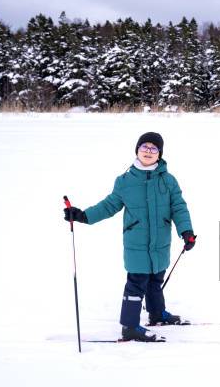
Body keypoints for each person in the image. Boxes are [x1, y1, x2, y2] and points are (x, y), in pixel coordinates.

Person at [64, 132, 196, 342]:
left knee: (155, 279)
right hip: (136, 243)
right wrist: (84, 216)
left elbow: (178, 207)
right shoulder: (125, 181)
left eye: (154, 149)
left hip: (161, 243)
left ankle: (157, 315)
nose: (148, 152)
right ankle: (130, 326)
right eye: (145, 147)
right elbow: (109, 205)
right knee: (136, 283)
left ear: (159, 154)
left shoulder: (169, 180)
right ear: (137, 150)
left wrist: (186, 231)